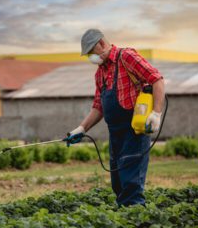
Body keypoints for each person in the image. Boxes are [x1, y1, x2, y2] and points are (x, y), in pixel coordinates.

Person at [67, 28, 165, 207]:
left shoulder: (126, 57)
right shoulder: (100, 72)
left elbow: (156, 79)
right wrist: (81, 128)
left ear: (102, 44)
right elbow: (98, 106)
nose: (90, 58)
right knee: (119, 185)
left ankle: (137, 220)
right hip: (116, 136)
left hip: (133, 132)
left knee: (131, 187)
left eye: (91, 52)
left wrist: (156, 113)